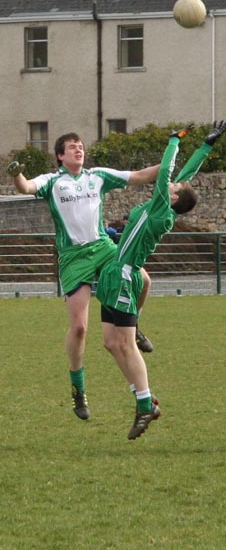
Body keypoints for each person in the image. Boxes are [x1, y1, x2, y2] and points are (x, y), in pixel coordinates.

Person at [7, 133, 159, 421]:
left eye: (81, 146)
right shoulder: (52, 181)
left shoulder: (98, 176)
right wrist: (17, 174)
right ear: (60, 156)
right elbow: (26, 187)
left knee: (145, 280)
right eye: (71, 147)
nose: (79, 149)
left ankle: (133, 326)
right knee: (79, 329)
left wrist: (170, 161)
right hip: (73, 258)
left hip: (103, 247)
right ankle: (78, 389)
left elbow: (140, 175)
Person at [96, 120, 226, 439]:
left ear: (171, 199)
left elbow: (169, 172)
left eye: (172, 189)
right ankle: (143, 399)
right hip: (114, 273)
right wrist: (206, 146)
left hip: (126, 278)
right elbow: (185, 178)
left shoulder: (160, 209)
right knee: (111, 342)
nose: (170, 185)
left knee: (126, 343)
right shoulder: (168, 202)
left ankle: (145, 405)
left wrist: (174, 142)